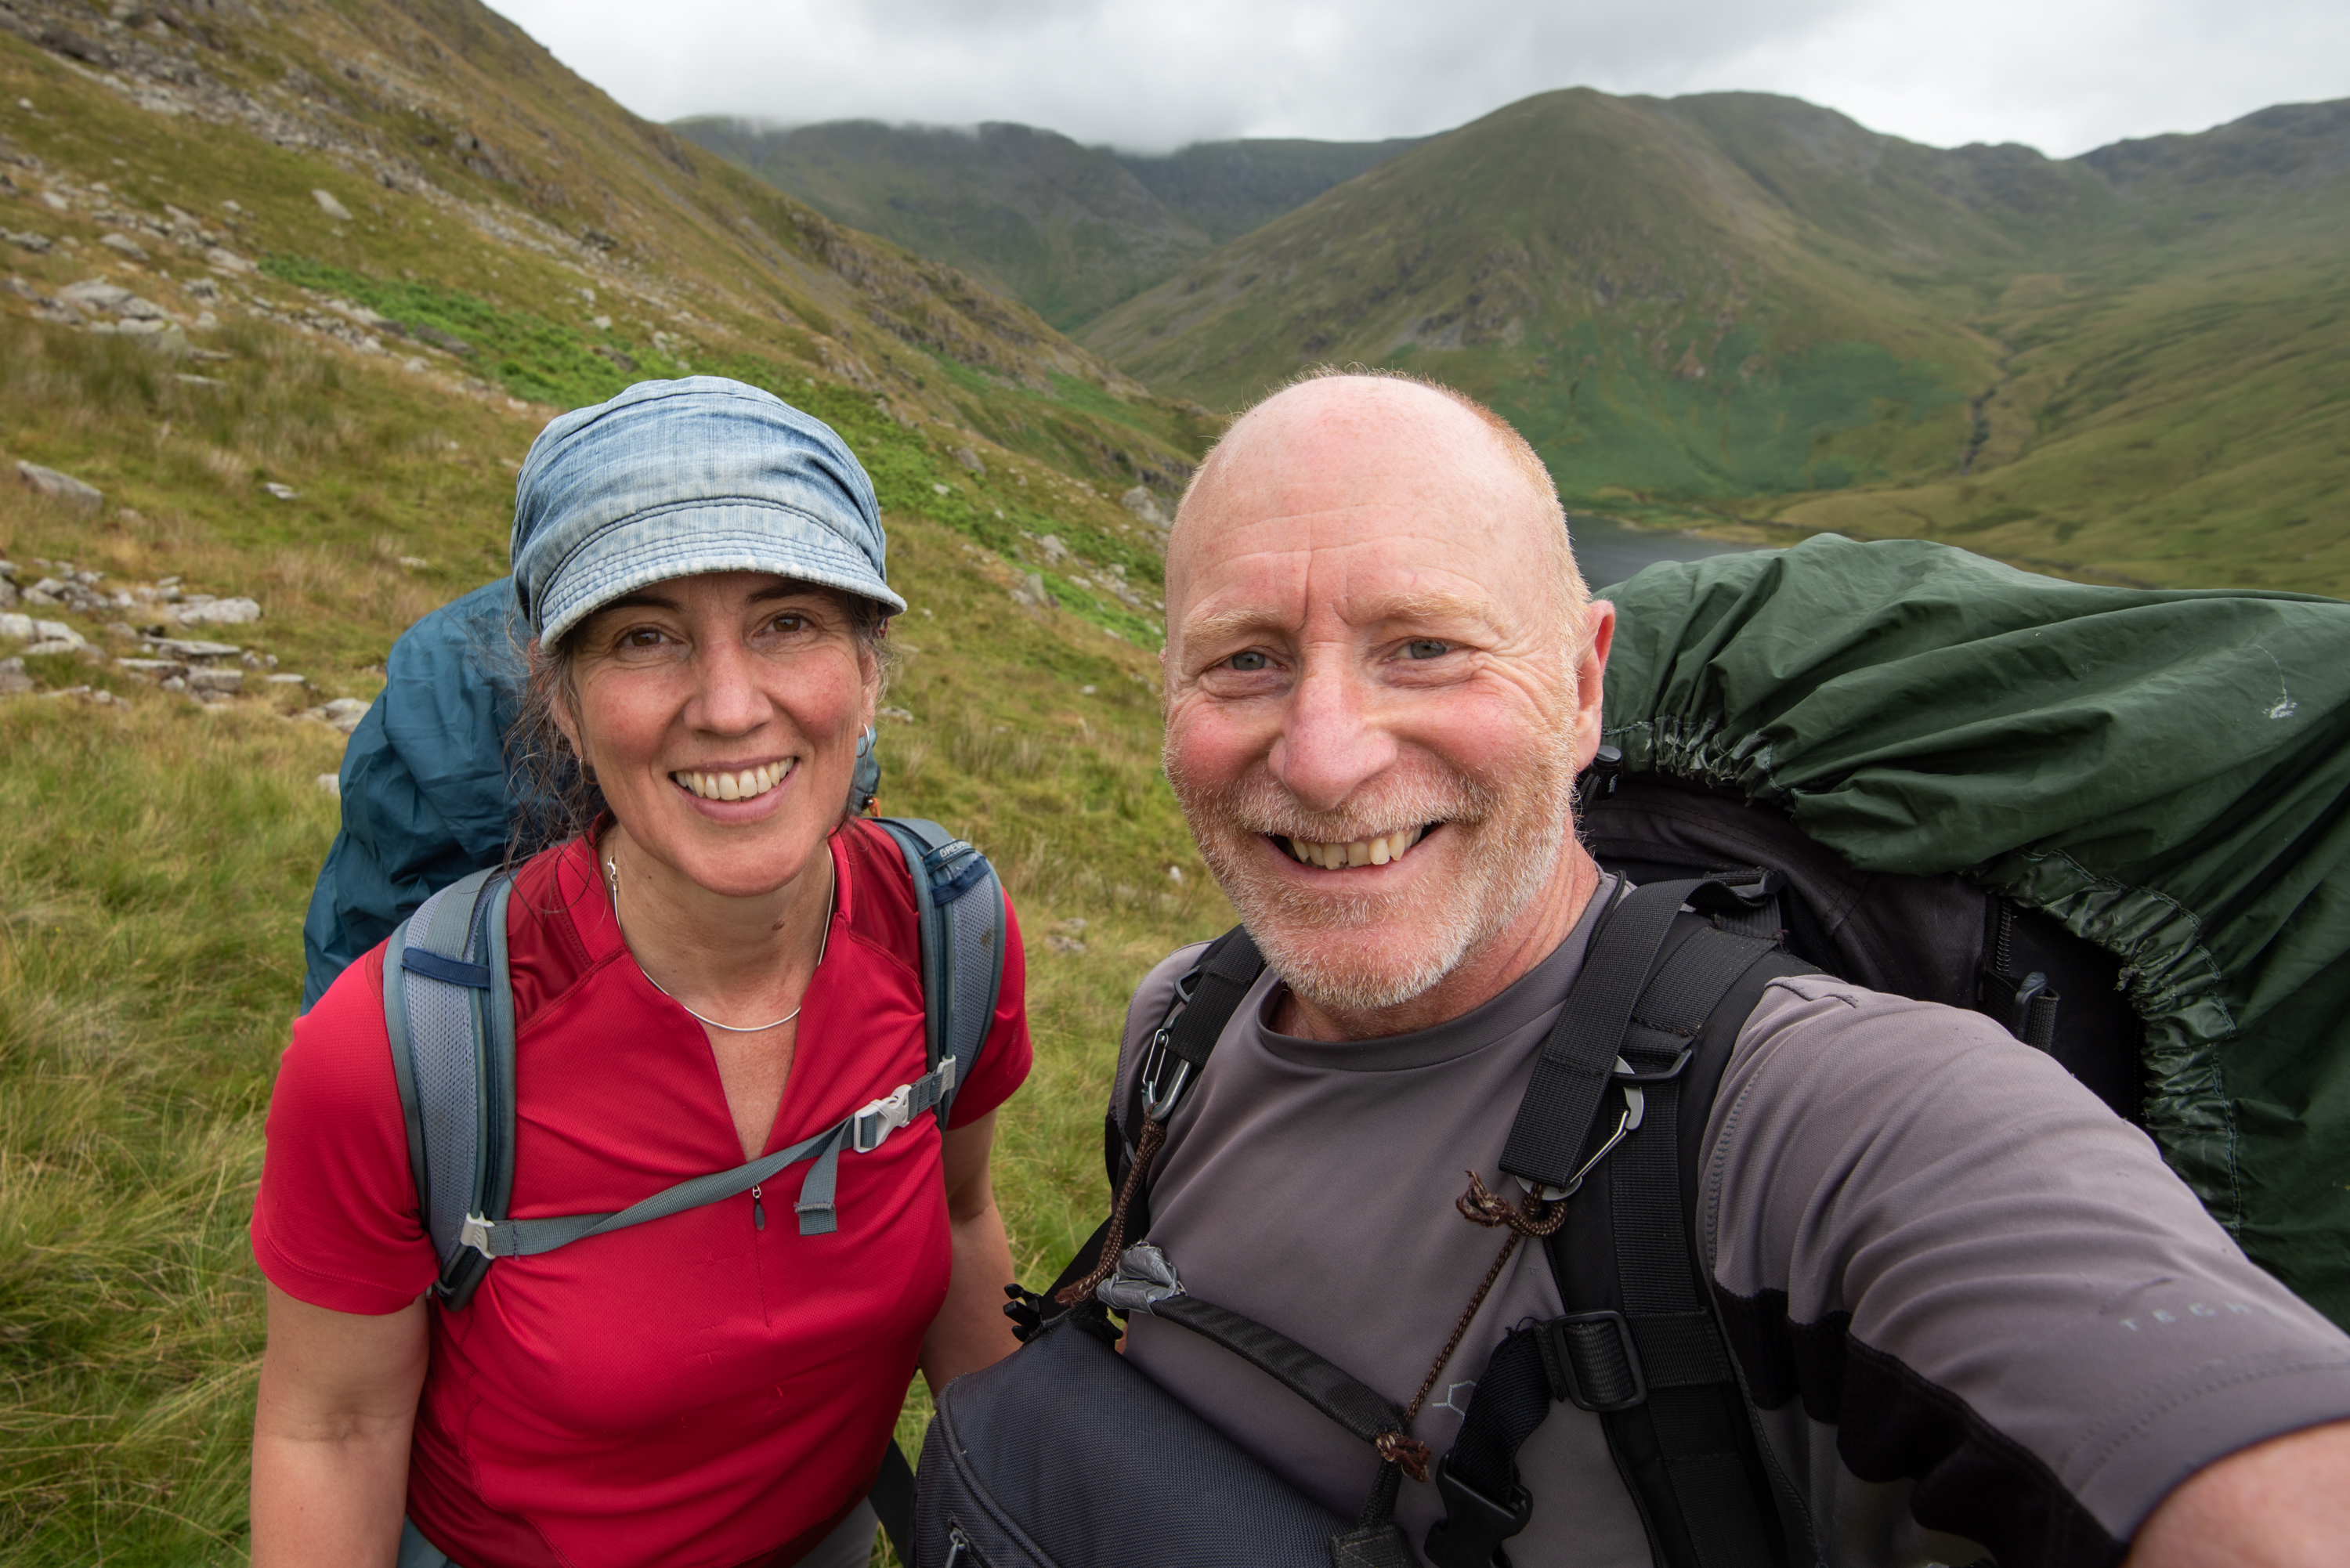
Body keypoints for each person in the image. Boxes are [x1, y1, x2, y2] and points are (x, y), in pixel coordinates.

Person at [1111, 368, 2350, 1565]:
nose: (1325, 759)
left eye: (1426, 646)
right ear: (1170, 690)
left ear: (1586, 682)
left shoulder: (1828, 1115)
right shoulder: (1180, 1023)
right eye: (1246, 659)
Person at [249, 378, 1031, 1568]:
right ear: (561, 703)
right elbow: (335, 1422)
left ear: (870, 673)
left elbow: (963, 1221)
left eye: (788, 622)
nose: (728, 706)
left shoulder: (950, 934)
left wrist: (1019, 1519)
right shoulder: (398, 1052)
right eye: (644, 635)